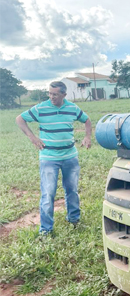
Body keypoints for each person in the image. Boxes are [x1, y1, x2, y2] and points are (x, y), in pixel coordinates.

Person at [15, 81, 92, 236]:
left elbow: (87, 120)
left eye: (55, 94)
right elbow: (19, 119)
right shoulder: (41, 108)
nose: (51, 97)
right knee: (48, 193)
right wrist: (32, 138)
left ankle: (74, 219)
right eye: (49, 93)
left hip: (70, 157)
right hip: (49, 158)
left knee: (72, 190)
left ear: (64, 94)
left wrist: (88, 137)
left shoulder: (72, 108)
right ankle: (46, 230)